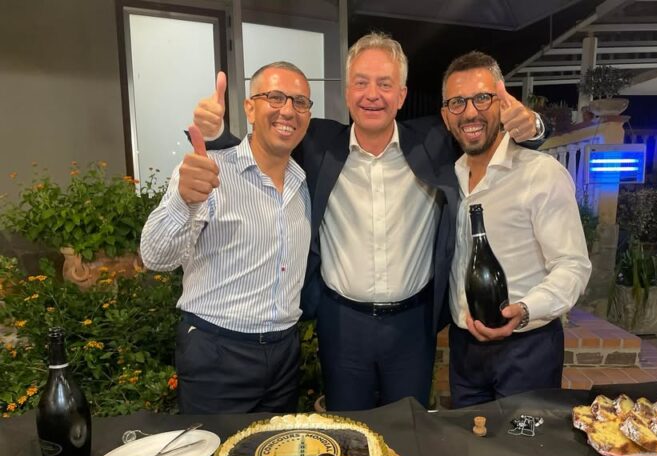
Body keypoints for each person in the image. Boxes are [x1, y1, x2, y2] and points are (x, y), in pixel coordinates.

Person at [194, 33, 547, 411]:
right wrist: (215, 135)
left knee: (409, 425)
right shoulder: (318, 144)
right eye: (361, 83)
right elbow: (263, 147)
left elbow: (480, 132)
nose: (372, 95)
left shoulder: (433, 140)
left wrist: (534, 128)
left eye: (385, 84)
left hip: (413, 325)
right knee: (349, 430)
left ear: (402, 95)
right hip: (341, 324)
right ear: (347, 93)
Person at [140, 61, 313, 414]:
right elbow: (155, 257)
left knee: (272, 449)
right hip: (217, 352)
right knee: (214, 449)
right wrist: (183, 200)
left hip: (284, 354)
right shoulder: (209, 169)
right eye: (275, 97)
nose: (288, 110)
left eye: (300, 102)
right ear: (249, 108)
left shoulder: (301, 183)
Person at [440, 51, 592, 408]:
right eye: (457, 102)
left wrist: (524, 310)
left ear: (503, 102)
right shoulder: (449, 175)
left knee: (525, 443)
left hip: (528, 349)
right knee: (469, 440)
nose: (470, 112)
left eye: (482, 98)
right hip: (464, 351)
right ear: (446, 116)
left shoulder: (541, 173)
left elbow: (573, 266)